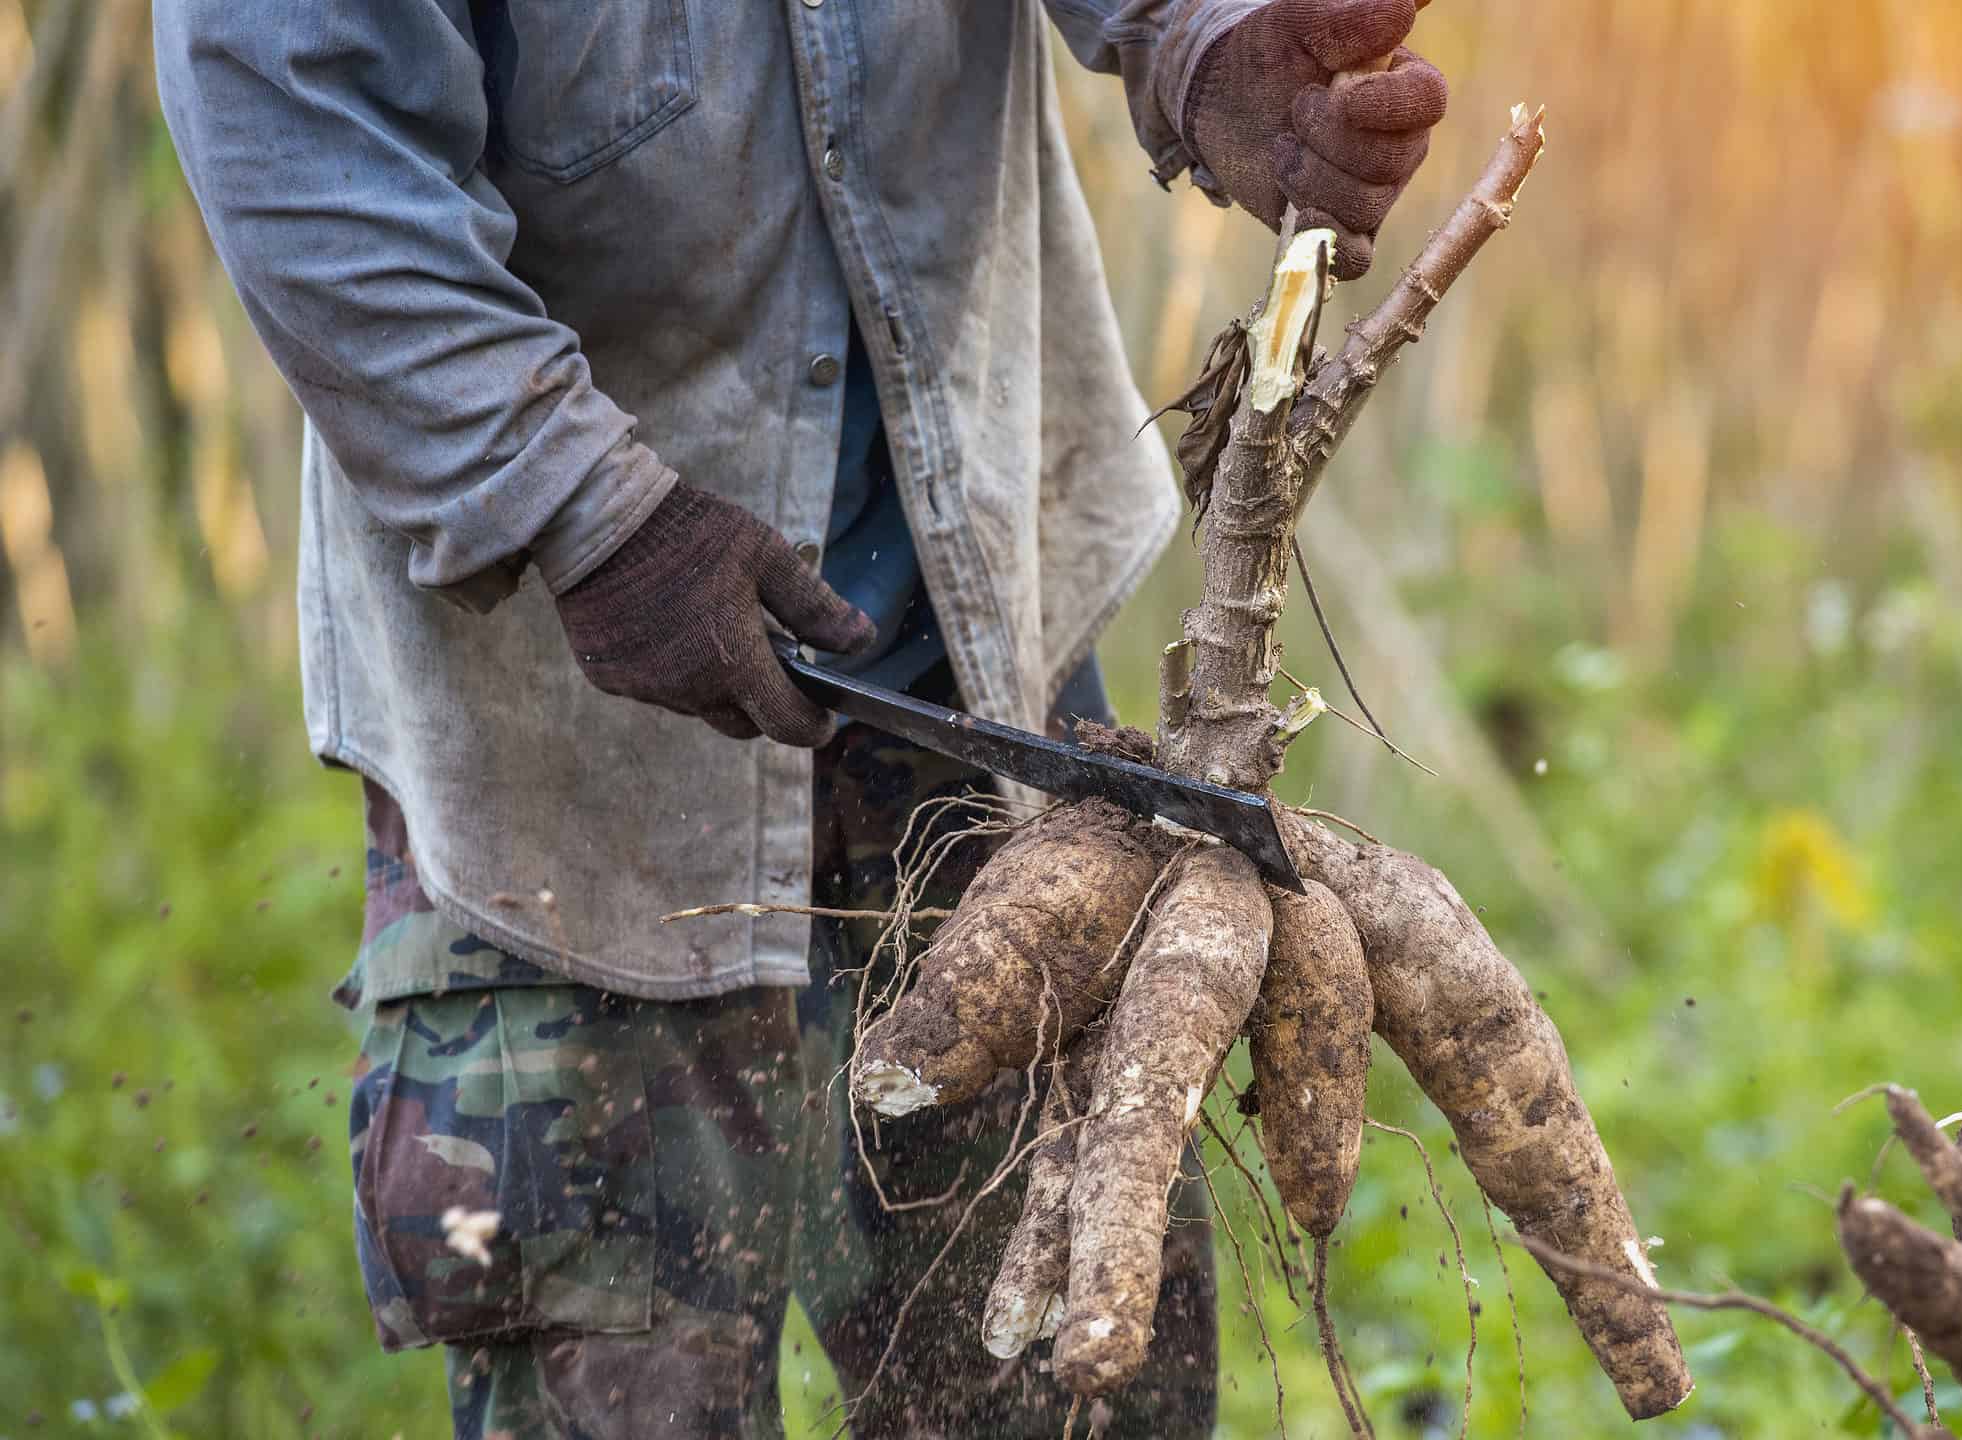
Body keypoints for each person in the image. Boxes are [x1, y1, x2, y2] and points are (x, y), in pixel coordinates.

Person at [153, 0, 1447, 1433]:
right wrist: (579, 506)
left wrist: (1202, 36)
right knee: (619, 1376)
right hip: (573, 760)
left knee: (1078, 1381)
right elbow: (298, 139)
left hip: (983, 675)